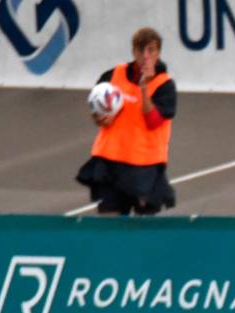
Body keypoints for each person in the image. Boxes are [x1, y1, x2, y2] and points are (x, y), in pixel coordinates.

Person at [76, 27, 177, 215]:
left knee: (141, 233)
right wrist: (99, 118)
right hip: (110, 163)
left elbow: (153, 121)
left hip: (144, 168)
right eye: (141, 50)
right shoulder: (113, 75)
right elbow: (96, 108)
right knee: (109, 226)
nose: (146, 56)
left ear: (158, 52)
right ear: (134, 52)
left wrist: (144, 88)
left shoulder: (164, 85)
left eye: (151, 50)